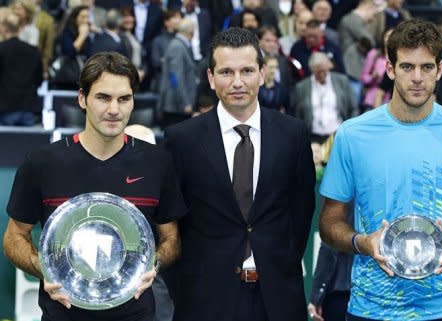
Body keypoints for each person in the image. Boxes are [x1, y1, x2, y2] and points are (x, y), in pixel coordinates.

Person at [318, 19, 442, 321]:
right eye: (407, 67)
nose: (417, 77)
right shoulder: (353, 135)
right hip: (373, 307)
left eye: (426, 67)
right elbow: (329, 223)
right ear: (390, 69)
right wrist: (362, 243)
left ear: (440, 69)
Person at [2, 52, 185, 321]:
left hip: (136, 315)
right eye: (103, 97)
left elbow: (172, 240)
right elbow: (14, 236)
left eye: (124, 99)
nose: (114, 109)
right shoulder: (42, 162)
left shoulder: (157, 162)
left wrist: (152, 265)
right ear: (82, 98)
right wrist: (43, 267)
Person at [165, 27, 316, 321]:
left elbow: (301, 212)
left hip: (277, 297)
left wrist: (277, 264)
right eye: (226, 72)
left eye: (246, 71)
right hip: (203, 299)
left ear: (262, 74)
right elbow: (174, 221)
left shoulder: (293, 134)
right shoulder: (181, 139)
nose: (237, 82)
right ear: (210, 78)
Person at [293, 51, 357, 143]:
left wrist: (349, 129)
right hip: (312, 137)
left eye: (324, 71)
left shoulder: (342, 81)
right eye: (318, 72)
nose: (322, 74)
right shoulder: (301, 87)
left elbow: (353, 108)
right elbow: (297, 114)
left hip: (338, 135)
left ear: (329, 67)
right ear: (312, 70)